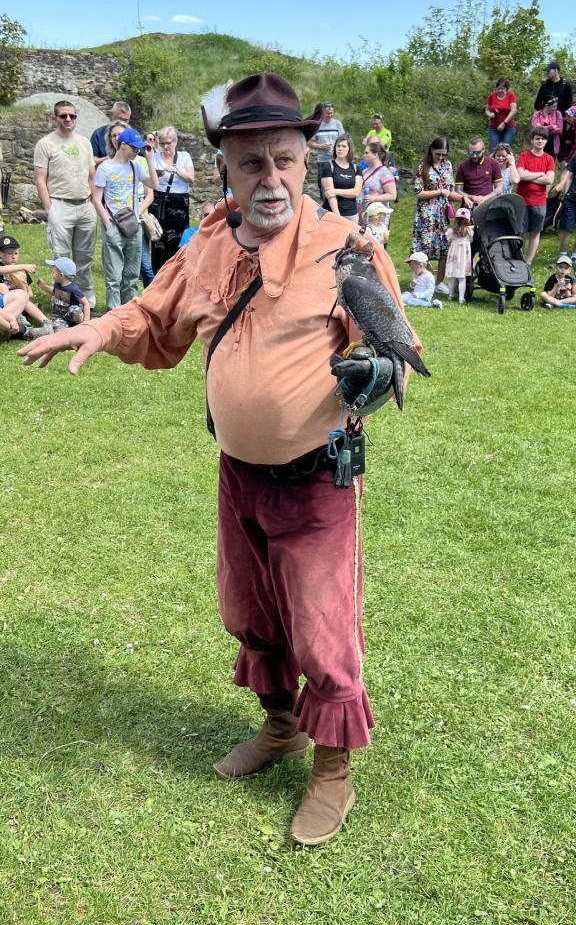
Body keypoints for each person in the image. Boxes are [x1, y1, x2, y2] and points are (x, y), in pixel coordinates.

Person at [19, 71, 422, 848]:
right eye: (252, 164)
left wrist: (376, 376)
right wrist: (96, 329)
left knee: (322, 629)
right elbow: (151, 315)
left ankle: (334, 769)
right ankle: (281, 730)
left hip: (317, 481)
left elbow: (396, 349)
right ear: (224, 170)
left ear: (306, 161)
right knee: (250, 613)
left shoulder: (347, 248)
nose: (271, 180)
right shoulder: (205, 246)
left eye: (285, 161)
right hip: (239, 476)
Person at [33, 100, 98, 309]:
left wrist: (93, 203)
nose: (68, 119)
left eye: (72, 115)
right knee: (61, 257)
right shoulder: (45, 144)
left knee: (85, 256)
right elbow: (40, 179)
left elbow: (91, 176)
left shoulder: (85, 143)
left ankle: (85, 299)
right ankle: (62, 302)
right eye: (63, 116)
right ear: (55, 118)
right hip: (60, 205)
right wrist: (49, 209)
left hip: (85, 205)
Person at [92, 127, 159, 309]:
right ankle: (114, 313)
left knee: (131, 275)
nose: (137, 151)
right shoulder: (105, 168)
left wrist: (150, 159)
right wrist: (107, 223)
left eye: (139, 148)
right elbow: (96, 199)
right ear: (122, 145)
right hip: (114, 225)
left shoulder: (136, 166)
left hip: (133, 226)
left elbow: (155, 184)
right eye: (134, 147)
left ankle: (128, 312)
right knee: (113, 276)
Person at [411, 136, 461, 295]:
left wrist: (464, 198)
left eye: (444, 154)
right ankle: (420, 280)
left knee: (444, 248)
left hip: (442, 214)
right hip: (426, 214)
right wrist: (439, 192)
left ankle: (438, 282)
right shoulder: (423, 166)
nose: (441, 157)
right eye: (438, 154)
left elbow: (450, 190)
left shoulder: (448, 165)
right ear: (431, 150)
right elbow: (418, 192)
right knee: (423, 249)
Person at [151, 126, 195, 272]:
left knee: (179, 240)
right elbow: (150, 180)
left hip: (179, 202)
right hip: (160, 202)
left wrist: (176, 170)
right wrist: (160, 172)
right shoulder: (155, 157)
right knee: (159, 238)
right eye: (162, 143)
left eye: (168, 143)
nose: (165, 146)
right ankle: (159, 273)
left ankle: (177, 272)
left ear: (175, 142)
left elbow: (191, 178)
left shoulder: (184, 156)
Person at [0, 235, 54, 337]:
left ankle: (47, 322)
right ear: (0, 254)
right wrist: (23, 266)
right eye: (10, 254)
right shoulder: (6, 267)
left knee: (26, 299)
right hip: (5, 303)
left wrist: (25, 294)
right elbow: (2, 270)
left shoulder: (21, 271)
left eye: (16, 253)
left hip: (14, 302)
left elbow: (30, 293)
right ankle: (23, 328)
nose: (13, 256)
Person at [515, 128, 555, 265]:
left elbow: (549, 180)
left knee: (535, 232)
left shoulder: (549, 159)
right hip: (522, 200)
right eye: (537, 138)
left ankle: (528, 261)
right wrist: (540, 174)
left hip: (539, 201)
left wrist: (529, 175)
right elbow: (520, 175)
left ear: (546, 141)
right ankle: (519, 258)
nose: (540, 141)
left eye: (543, 139)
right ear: (532, 140)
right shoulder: (524, 156)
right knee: (521, 232)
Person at [36, 256, 91, 328]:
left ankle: (79, 326)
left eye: (53, 272)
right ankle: (67, 329)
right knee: (58, 330)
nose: (51, 274)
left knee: (75, 309)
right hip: (59, 317)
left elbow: (85, 303)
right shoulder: (57, 285)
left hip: (71, 315)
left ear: (61, 275)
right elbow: (54, 292)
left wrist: (86, 320)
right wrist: (43, 286)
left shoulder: (73, 289)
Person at [320, 134, 362, 223]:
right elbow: (330, 194)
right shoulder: (328, 167)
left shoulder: (356, 169)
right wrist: (337, 216)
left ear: (349, 149)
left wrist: (335, 191)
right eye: (338, 146)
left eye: (343, 146)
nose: (340, 148)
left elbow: (356, 192)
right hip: (332, 214)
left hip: (351, 214)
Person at [455, 137, 502, 211]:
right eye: (471, 153)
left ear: (483, 150)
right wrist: (472, 197)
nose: (474, 156)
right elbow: (458, 191)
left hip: (488, 205)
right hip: (469, 205)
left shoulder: (493, 163)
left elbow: (499, 189)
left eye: (477, 153)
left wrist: (485, 198)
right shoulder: (463, 167)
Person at [308, 103, 345, 194]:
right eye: (327, 113)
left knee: (337, 182)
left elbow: (344, 140)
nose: (330, 115)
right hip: (322, 159)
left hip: (336, 159)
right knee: (322, 183)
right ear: (323, 113)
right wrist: (320, 146)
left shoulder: (337, 124)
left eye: (331, 113)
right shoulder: (318, 125)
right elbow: (310, 142)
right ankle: (324, 200)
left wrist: (338, 149)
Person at [360, 142, 397, 227]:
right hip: (364, 214)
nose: (363, 156)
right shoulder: (364, 171)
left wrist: (373, 198)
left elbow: (392, 195)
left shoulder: (385, 172)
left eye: (366, 153)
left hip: (377, 216)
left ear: (375, 154)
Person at [551, 149, 576, 266]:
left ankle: (574, 257)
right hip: (571, 197)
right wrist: (566, 194)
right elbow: (569, 176)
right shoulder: (575, 157)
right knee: (566, 227)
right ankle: (563, 256)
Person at [90, 100, 132, 166]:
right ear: (111, 115)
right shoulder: (98, 134)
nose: (122, 123)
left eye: (125, 120)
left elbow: (142, 158)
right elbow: (90, 160)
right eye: (119, 119)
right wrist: (105, 159)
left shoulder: (133, 135)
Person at [445, 208, 473, 304]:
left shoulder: (451, 231)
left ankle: (450, 295)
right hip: (464, 258)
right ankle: (461, 298)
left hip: (453, 257)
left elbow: (448, 241)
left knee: (451, 277)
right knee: (462, 278)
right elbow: (471, 240)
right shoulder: (469, 231)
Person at [486, 78, 517, 151]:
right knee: (493, 148)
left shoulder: (511, 95)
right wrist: (490, 114)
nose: (500, 90)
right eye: (498, 88)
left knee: (505, 149)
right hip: (494, 127)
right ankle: (493, 159)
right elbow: (487, 110)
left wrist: (504, 123)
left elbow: (513, 110)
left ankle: (507, 159)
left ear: (506, 89)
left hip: (508, 127)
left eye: (502, 89)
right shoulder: (492, 96)